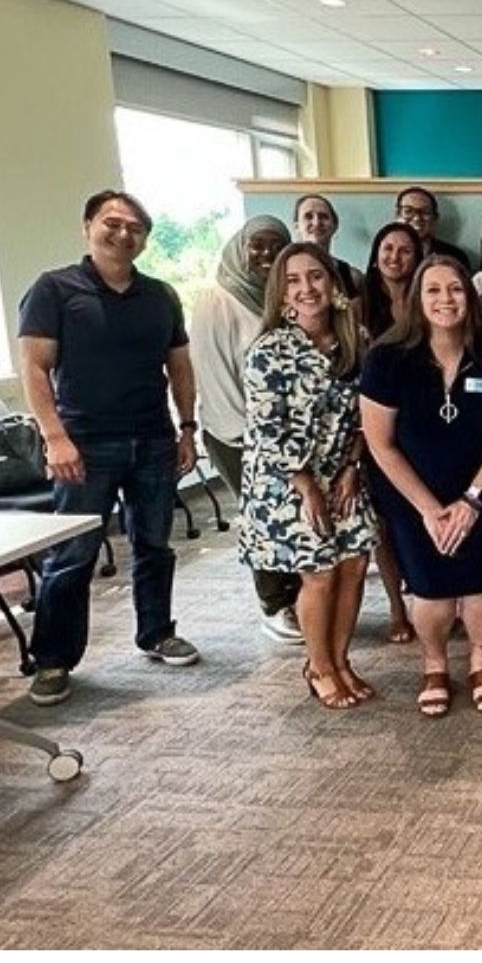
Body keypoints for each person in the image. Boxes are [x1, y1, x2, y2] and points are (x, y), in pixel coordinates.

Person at [16, 190, 201, 706]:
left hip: (153, 437)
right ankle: (53, 659)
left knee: (155, 544)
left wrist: (187, 428)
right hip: (83, 444)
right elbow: (33, 367)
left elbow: (179, 366)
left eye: (135, 227)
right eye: (112, 223)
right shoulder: (54, 289)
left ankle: (156, 631)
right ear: (87, 227)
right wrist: (55, 437)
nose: (123, 234)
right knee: (72, 555)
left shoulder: (160, 295)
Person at [360, 256, 482, 717]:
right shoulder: (388, 358)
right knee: (430, 584)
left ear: (469, 296)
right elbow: (381, 444)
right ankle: (434, 665)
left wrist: (472, 501)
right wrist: (431, 511)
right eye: (432, 290)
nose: (445, 300)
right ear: (417, 299)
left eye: (454, 289)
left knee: (481, 578)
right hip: (413, 494)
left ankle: (479, 659)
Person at [238, 243, 377, 709]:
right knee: (319, 572)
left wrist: (352, 468)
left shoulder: (355, 339)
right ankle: (318, 667)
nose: (306, 288)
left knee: (354, 562)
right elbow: (266, 427)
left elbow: (367, 416)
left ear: (333, 284)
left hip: (343, 472)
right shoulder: (268, 350)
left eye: (315, 276)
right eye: (294, 280)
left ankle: (340, 660)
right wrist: (306, 485)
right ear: (281, 293)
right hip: (287, 482)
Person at [189, 214, 301, 644]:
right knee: (262, 517)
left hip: (285, 436)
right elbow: (215, 377)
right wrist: (251, 439)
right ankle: (274, 604)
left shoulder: (284, 299)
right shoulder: (217, 302)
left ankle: (295, 596)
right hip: (237, 434)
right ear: (240, 247)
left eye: (277, 246)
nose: (267, 254)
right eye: (258, 244)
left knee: (291, 517)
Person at [358, 221, 423, 643]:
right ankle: (397, 609)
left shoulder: (429, 303)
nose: (395, 257)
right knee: (386, 525)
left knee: (422, 516)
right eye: (388, 249)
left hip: (423, 427)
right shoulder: (357, 309)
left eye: (404, 250)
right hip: (374, 430)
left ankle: (426, 596)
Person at [293, 193, 363, 298]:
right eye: (308, 216)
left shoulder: (352, 277)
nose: (316, 223)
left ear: (334, 226)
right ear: (297, 226)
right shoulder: (284, 272)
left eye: (323, 216)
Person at [394, 184, 472, 267]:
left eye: (425, 212)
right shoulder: (385, 253)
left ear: (435, 218)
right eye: (408, 211)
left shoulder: (454, 257)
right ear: (397, 215)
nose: (417, 218)